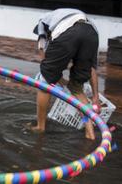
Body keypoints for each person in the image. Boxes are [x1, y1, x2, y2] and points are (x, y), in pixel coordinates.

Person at [30, 8, 99, 140]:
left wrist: (53, 78)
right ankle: (89, 132)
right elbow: (91, 69)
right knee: (76, 87)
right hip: (90, 35)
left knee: (44, 81)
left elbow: (43, 54)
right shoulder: (90, 26)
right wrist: (95, 97)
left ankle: (40, 126)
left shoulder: (43, 22)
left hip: (68, 33)